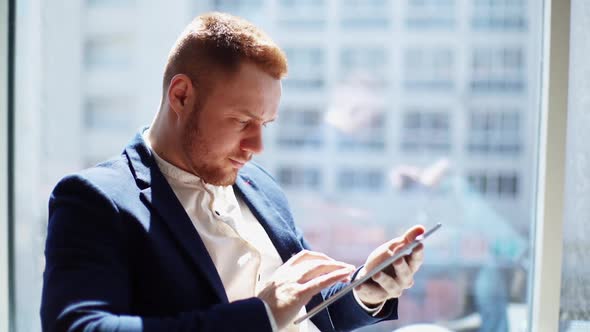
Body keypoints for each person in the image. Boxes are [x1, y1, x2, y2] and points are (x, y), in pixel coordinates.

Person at [40, 12, 425, 332]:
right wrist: (262, 315)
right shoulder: (95, 200)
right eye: (243, 121)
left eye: (265, 124)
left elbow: (304, 307)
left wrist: (363, 291)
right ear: (181, 96)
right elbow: (80, 328)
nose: (257, 147)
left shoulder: (260, 186)